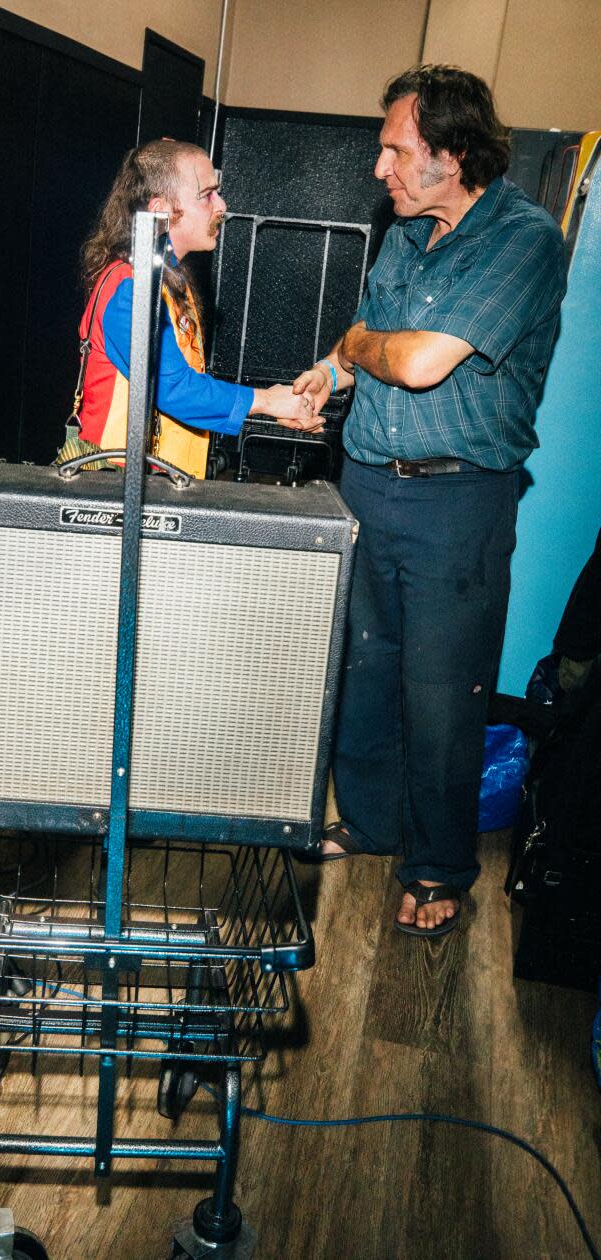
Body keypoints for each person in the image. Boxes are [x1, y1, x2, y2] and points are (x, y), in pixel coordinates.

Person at [286, 65, 567, 937]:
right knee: (362, 678)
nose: (380, 169)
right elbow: (363, 340)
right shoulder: (407, 233)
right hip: (368, 483)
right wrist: (328, 373)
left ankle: (439, 867)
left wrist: (365, 347)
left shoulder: (522, 240)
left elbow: (416, 362)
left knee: (444, 697)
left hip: (459, 508)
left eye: (397, 151)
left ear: (453, 155)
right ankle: (370, 824)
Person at [71, 138, 317, 477]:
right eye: (206, 196)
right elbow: (174, 389)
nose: (221, 205)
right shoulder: (129, 287)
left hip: (156, 476)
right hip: (115, 479)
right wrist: (268, 401)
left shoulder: (166, 277)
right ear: (161, 210)